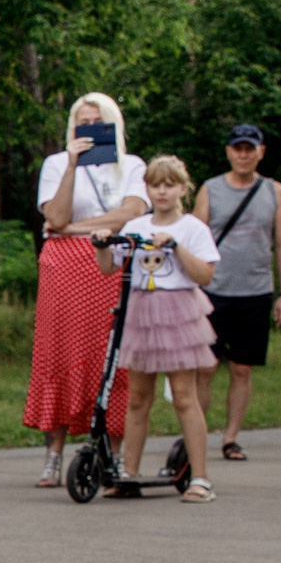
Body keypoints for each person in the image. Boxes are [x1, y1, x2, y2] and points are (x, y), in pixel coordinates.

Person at [27, 93, 150, 486]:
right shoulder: (57, 164)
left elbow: (131, 213)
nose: (91, 131)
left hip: (110, 261)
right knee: (59, 352)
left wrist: (75, 230)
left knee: (113, 354)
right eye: (83, 124)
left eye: (99, 122)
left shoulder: (131, 165)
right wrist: (72, 163)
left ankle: (115, 454)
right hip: (63, 268)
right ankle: (54, 453)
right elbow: (55, 216)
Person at [96, 155, 218, 503]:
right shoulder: (136, 225)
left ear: (182, 188)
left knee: (184, 396)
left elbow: (205, 275)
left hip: (177, 311)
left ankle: (201, 477)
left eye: (169, 185)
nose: (162, 192)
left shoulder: (192, 227)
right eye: (155, 185)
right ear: (146, 188)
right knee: (137, 398)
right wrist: (103, 244)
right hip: (142, 310)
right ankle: (129, 473)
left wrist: (176, 247)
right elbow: (109, 268)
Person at [191, 125, 281, 462]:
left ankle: (231, 437)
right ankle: (197, 433)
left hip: (255, 291)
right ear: (229, 152)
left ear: (260, 152)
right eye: (238, 149)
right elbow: (192, 237)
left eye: (250, 149)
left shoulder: (274, 191)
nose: (243, 155)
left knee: (242, 368)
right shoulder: (210, 190)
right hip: (213, 289)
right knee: (204, 367)